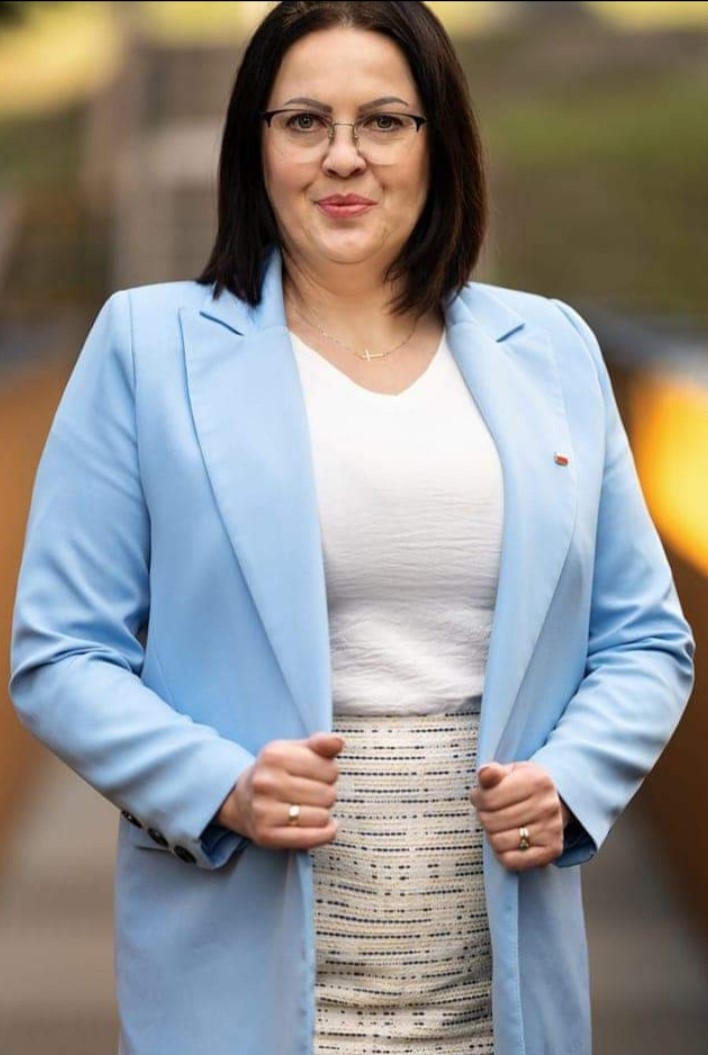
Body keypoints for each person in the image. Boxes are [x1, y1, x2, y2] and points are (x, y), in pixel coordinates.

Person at [9, 2, 694, 1054]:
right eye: (303, 121)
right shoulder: (145, 347)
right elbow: (60, 653)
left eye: (383, 121)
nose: (344, 157)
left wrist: (577, 775)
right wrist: (219, 783)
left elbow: (645, 637)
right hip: (239, 952)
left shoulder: (552, 349)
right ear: (257, 145)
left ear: (438, 142)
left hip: (500, 961)